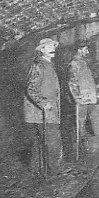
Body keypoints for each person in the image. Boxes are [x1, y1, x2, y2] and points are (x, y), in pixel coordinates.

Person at [24, 37, 63, 176]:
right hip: (41, 113)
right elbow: (31, 88)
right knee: (53, 143)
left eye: (53, 46)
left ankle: (36, 170)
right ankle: (55, 172)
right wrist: (43, 103)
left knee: (40, 144)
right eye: (48, 47)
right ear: (42, 50)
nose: (52, 49)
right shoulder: (39, 65)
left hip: (45, 113)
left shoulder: (49, 65)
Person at [68, 42, 97, 137]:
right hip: (82, 96)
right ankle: (81, 139)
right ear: (79, 50)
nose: (87, 52)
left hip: (87, 95)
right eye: (85, 49)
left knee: (84, 118)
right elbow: (72, 82)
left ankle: (83, 136)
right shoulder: (75, 63)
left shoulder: (82, 62)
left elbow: (84, 78)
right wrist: (77, 97)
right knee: (81, 119)